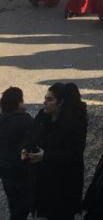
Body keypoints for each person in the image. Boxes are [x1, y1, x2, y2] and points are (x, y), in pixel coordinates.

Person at [25, 82, 88, 220]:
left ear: (60, 103)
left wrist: (46, 155)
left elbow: (74, 154)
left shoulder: (73, 124)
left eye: (50, 99)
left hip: (63, 186)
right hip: (42, 183)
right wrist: (26, 149)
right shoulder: (42, 116)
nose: (44, 102)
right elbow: (32, 136)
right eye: (45, 98)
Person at [0, 86, 33, 220]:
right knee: (24, 206)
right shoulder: (25, 119)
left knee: (14, 203)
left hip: (5, 170)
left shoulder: (1, 120)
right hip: (22, 170)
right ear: (18, 103)